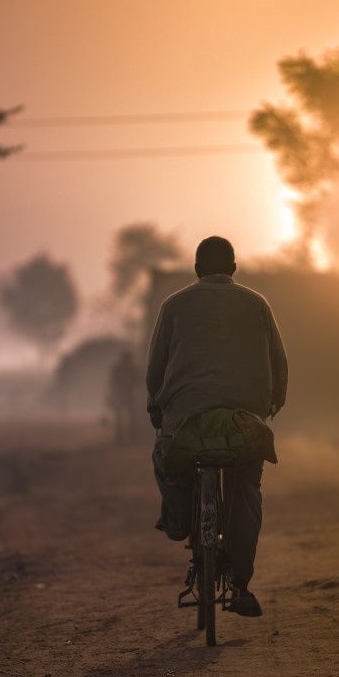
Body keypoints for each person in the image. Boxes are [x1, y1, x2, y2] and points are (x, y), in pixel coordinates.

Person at [146, 236, 288, 617]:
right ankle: (241, 585)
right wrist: (275, 399)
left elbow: (155, 368)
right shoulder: (257, 303)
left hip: (185, 422)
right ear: (234, 270)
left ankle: (178, 520)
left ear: (196, 271)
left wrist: (156, 406)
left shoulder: (173, 305)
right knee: (245, 489)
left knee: (169, 459)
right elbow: (279, 362)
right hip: (244, 424)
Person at [109, 349, 141, 443]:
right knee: (128, 416)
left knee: (126, 416)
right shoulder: (130, 368)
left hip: (125, 393)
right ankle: (128, 437)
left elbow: (112, 382)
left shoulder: (120, 368)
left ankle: (124, 437)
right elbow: (139, 379)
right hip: (125, 393)